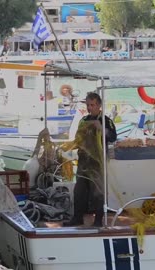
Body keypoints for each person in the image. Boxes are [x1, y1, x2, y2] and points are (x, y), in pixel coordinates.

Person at [64, 92, 117, 227]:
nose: (89, 108)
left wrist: (101, 129)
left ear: (99, 105)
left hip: (97, 163)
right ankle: (77, 218)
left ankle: (98, 220)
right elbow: (78, 138)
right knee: (79, 191)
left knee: (97, 192)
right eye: (88, 105)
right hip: (83, 161)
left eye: (92, 105)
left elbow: (113, 137)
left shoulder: (106, 120)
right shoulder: (83, 120)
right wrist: (67, 150)